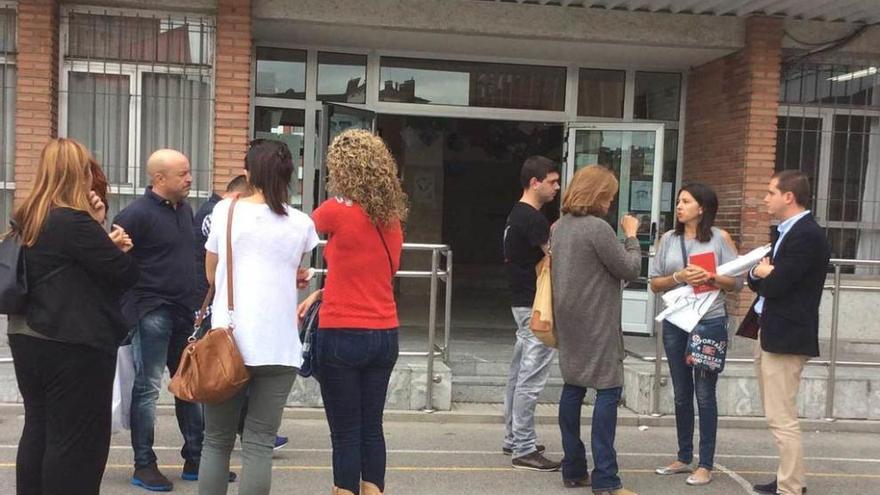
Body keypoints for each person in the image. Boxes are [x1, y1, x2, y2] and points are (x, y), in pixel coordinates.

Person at [8, 138, 138, 494]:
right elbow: (123, 274)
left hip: (26, 336)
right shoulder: (73, 222)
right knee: (76, 442)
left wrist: (98, 235)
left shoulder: (27, 218)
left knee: (39, 427)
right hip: (73, 342)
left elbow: (70, 269)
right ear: (76, 174)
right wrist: (103, 232)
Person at [197, 140, 319, 494]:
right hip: (279, 345)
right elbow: (289, 269)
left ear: (248, 171)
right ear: (289, 175)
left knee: (216, 442)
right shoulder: (301, 223)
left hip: (228, 341)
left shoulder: (226, 212)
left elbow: (211, 274)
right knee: (260, 442)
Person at [114, 149, 233, 490]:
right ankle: (144, 465)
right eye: (182, 173)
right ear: (159, 179)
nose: (190, 178)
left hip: (184, 312)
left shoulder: (184, 210)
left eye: (189, 171)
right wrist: (133, 308)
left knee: (189, 386)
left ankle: (196, 458)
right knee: (148, 388)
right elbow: (115, 264)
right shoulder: (135, 215)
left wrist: (198, 303)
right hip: (151, 311)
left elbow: (190, 259)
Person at [297, 129, 407, 495]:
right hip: (385, 332)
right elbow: (375, 275)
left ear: (341, 170)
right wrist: (325, 292)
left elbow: (297, 234)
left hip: (342, 330)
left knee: (345, 432)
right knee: (371, 427)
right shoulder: (392, 220)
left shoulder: (334, 211)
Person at [551, 165, 641, 495]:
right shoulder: (597, 228)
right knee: (608, 389)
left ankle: (573, 468)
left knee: (573, 386)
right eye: (610, 196)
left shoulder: (559, 227)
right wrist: (631, 236)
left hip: (569, 318)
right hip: (598, 320)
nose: (611, 202)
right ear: (599, 195)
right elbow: (629, 268)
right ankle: (606, 478)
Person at [648, 183, 743, 487]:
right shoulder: (668, 239)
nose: (679, 206)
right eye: (678, 201)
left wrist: (713, 276)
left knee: (704, 393)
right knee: (680, 393)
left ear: (701, 208)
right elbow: (654, 282)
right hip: (677, 321)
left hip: (710, 322)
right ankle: (683, 455)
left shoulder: (719, 238)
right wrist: (679, 276)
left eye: (686, 201)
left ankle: (705, 463)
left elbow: (738, 283)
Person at [748, 170, 830, 495]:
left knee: (782, 418)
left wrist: (764, 274)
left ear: (788, 197)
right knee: (776, 415)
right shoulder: (786, 231)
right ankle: (788, 478)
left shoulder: (806, 234)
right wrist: (760, 271)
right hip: (771, 331)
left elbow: (777, 284)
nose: (765, 198)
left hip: (786, 337)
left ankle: (791, 487)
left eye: (770, 192)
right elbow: (761, 278)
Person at [500, 155, 561, 471]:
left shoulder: (516, 214)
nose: (557, 187)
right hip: (536, 305)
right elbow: (554, 259)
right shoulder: (534, 219)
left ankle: (514, 437)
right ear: (534, 182)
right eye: (552, 181)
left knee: (518, 372)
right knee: (531, 377)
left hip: (520, 303)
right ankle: (523, 447)